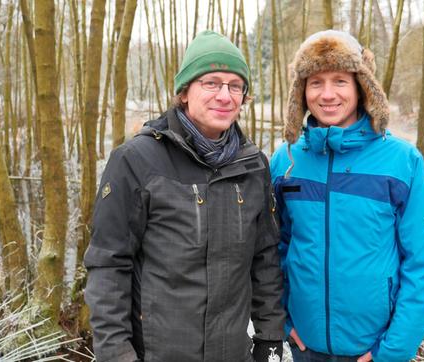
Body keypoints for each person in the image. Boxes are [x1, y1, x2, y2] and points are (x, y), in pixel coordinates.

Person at [85, 30, 285, 362]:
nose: (225, 95)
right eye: (211, 82)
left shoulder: (253, 166)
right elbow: (108, 264)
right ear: (184, 92)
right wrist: (116, 353)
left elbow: (264, 259)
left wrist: (269, 337)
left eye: (235, 86)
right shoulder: (136, 160)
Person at [270, 30, 424, 362]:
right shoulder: (286, 160)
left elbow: (422, 263)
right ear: (302, 91)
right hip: (304, 348)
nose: (328, 94)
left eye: (340, 81)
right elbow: (272, 249)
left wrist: (391, 352)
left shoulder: (402, 161)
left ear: (362, 88)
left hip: (373, 351)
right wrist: (281, 319)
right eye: (316, 82)